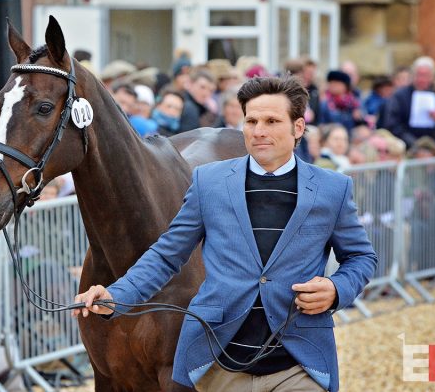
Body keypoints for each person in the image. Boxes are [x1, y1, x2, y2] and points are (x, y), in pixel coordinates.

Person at [74, 75, 377, 391]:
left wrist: (336, 288)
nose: (259, 131)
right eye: (251, 121)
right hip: (219, 369)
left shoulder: (333, 189)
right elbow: (167, 254)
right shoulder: (208, 182)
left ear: (297, 128)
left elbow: (360, 257)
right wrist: (116, 295)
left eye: (272, 121)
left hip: (297, 367)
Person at [383, 56, 435, 152]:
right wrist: (415, 144)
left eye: (426, 75)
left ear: (432, 77)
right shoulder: (400, 95)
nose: (422, 80)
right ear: (413, 75)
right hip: (409, 148)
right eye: (419, 75)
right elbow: (392, 124)